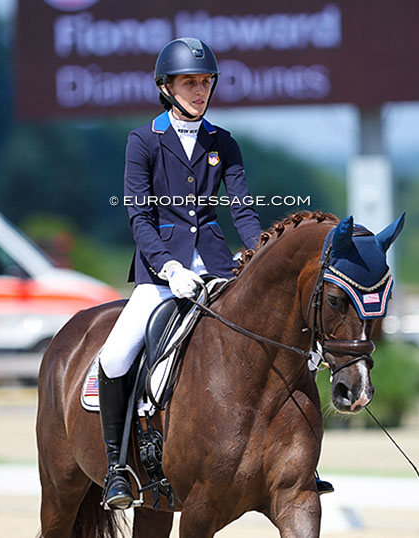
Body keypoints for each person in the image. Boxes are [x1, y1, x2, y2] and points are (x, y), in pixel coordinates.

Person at [95, 37, 262, 511]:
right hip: (159, 272)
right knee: (115, 356)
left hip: (216, 267)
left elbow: (243, 212)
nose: (200, 90)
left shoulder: (222, 142)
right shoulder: (143, 140)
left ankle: (294, 459)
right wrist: (167, 266)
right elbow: (139, 215)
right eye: (190, 82)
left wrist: (262, 254)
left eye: (206, 82)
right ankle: (115, 469)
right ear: (166, 87)